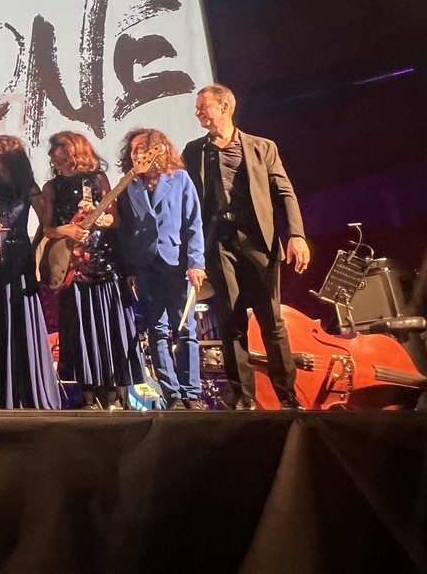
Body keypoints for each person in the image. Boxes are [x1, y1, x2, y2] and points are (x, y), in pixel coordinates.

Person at [182, 84, 311, 410]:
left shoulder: (262, 147)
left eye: (203, 106)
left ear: (225, 107)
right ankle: (244, 398)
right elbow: (187, 201)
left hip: (258, 242)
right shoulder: (194, 151)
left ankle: (287, 396)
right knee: (231, 318)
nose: (197, 113)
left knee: (271, 320)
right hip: (219, 243)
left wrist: (296, 235)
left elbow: (284, 192)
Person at [41, 131, 143, 410]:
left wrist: (102, 220)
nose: (52, 157)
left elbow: (114, 219)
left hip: (105, 263)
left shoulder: (98, 179)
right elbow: (48, 229)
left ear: (71, 151)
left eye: (57, 151)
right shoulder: (51, 187)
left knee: (110, 330)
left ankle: (114, 394)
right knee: (81, 331)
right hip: (74, 270)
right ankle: (87, 395)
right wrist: (68, 229)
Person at [116, 128, 207, 410]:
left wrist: (196, 262)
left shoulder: (179, 178)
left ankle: (192, 393)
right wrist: (130, 268)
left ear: (156, 149)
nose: (136, 154)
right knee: (157, 330)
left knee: (186, 329)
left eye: (141, 148)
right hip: (145, 264)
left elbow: (193, 223)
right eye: (133, 149)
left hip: (177, 263)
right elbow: (125, 230)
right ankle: (173, 394)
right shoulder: (128, 185)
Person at [0, 135, 61, 410]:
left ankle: (25, 389)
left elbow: (45, 224)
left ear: (10, 157)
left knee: (20, 316)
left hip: (18, 256)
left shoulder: (28, 188)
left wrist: (30, 247)